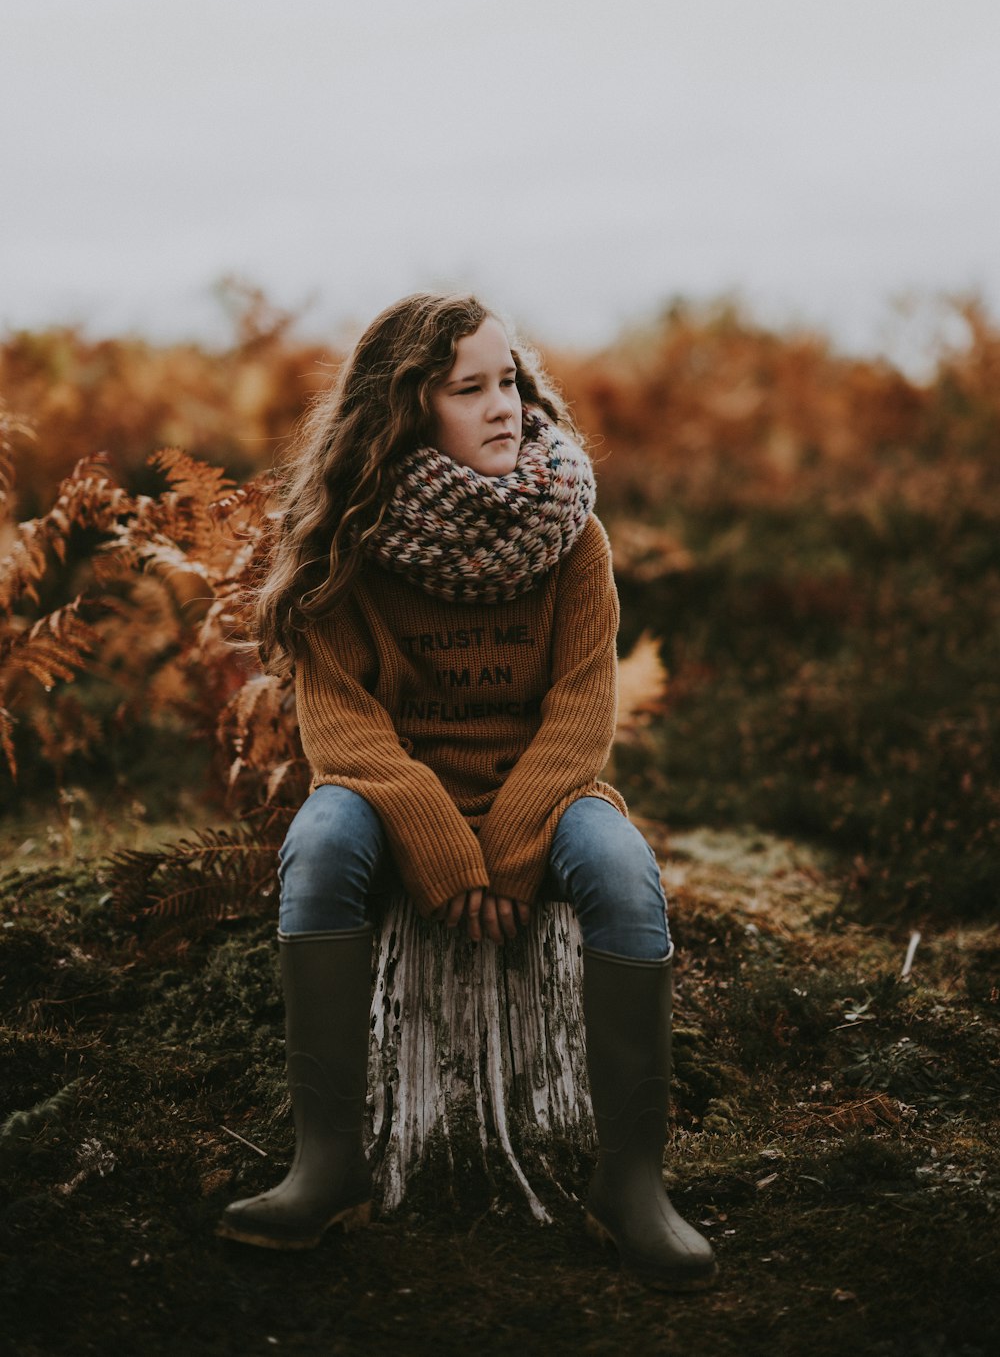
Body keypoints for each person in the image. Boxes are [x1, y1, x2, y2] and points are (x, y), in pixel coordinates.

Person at [217, 293, 716, 1290]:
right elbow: (343, 731)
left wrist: (517, 843)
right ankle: (328, 1163)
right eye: (469, 388)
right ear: (405, 409)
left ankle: (632, 1185)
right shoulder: (341, 542)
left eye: (510, 381)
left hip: (543, 791)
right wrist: (446, 851)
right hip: (387, 797)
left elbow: (581, 709)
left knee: (624, 869)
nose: (505, 407)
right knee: (317, 843)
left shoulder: (569, 532)